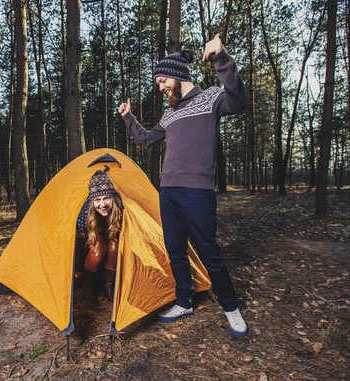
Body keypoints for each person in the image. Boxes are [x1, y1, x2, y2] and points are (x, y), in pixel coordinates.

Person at [117, 35, 249, 337]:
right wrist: (129, 118)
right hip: (169, 191)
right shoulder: (170, 112)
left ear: (177, 76)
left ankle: (232, 308)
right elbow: (148, 139)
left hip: (197, 192)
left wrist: (221, 57)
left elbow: (239, 100)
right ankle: (184, 301)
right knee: (175, 249)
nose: (161, 87)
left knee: (208, 252)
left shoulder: (211, 98)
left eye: (163, 81)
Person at [75, 170, 123, 302]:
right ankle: (88, 285)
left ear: (113, 198)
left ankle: (108, 284)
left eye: (107, 198)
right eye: (97, 200)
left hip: (111, 230)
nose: (103, 204)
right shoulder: (85, 214)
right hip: (93, 230)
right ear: (92, 201)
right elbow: (81, 235)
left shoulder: (120, 209)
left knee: (114, 247)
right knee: (98, 250)